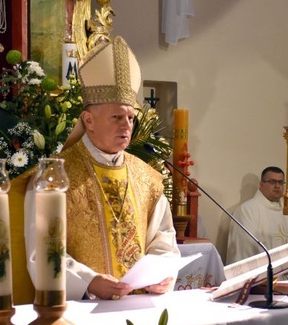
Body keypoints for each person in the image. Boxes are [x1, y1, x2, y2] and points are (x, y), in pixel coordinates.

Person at [25, 37, 179, 301]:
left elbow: (164, 240)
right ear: (89, 120)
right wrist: (90, 281)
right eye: (117, 117)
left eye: (131, 117)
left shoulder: (148, 178)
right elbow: (42, 251)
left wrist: (163, 275)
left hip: (141, 306)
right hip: (83, 310)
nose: (127, 125)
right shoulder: (53, 176)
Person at [226, 166, 288, 264]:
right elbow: (245, 249)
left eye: (280, 182)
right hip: (264, 273)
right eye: (272, 182)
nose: (277, 186)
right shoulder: (247, 211)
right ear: (261, 185)